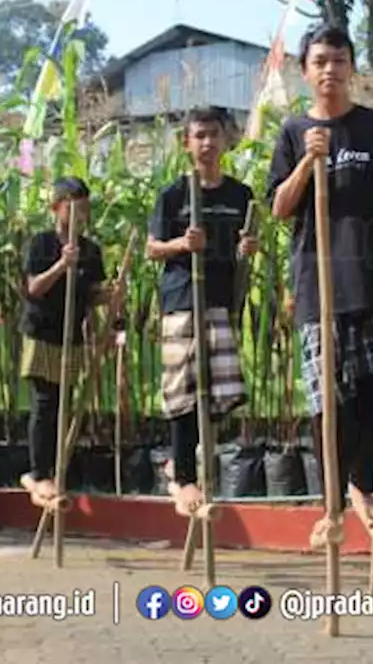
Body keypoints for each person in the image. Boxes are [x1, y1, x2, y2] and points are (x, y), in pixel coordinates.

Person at [265, 23, 373, 545]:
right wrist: (309, 159)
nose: (331, 69)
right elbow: (280, 209)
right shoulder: (292, 131)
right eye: (321, 61)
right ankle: (332, 504)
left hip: (372, 281)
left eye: (340, 60)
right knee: (327, 404)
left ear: (352, 68)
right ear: (306, 71)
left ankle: (365, 493)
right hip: (317, 284)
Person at [147, 107, 258, 516]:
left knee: (218, 392)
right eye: (200, 136)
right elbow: (152, 248)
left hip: (221, 300)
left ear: (226, 139)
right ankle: (184, 478)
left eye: (214, 134)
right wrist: (181, 244)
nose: (208, 143)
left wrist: (247, 250)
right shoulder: (174, 194)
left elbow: (244, 245)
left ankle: (193, 462)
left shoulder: (239, 195)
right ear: (186, 143)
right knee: (183, 389)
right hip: (181, 300)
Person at [18, 177, 111, 507]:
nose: (80, 214)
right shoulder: (42, 244)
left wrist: (111, 296)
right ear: (56, 207)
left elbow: (95, 293)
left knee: (63, 405)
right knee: (44, 403)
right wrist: (61, 265)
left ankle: (57, 471)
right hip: (42, 333)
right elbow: (34, 288)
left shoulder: (90, 251)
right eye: (73, 206)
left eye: (84, 208)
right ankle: (38, 471)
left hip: (70, 337)